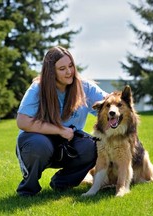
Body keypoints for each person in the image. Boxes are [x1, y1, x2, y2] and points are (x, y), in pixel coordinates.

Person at [16, 46, 108, 196]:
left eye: (71, 66)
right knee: (37, 145)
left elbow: (109, 104)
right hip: (38, 141)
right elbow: (23, 121)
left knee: (95, 146)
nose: (69, 72)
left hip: (70, 142)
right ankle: (28, 189)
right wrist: (59, 130)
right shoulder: (37, 89)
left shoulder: (85, 87)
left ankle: (62, 184)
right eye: (62, 68)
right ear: (51, 72)